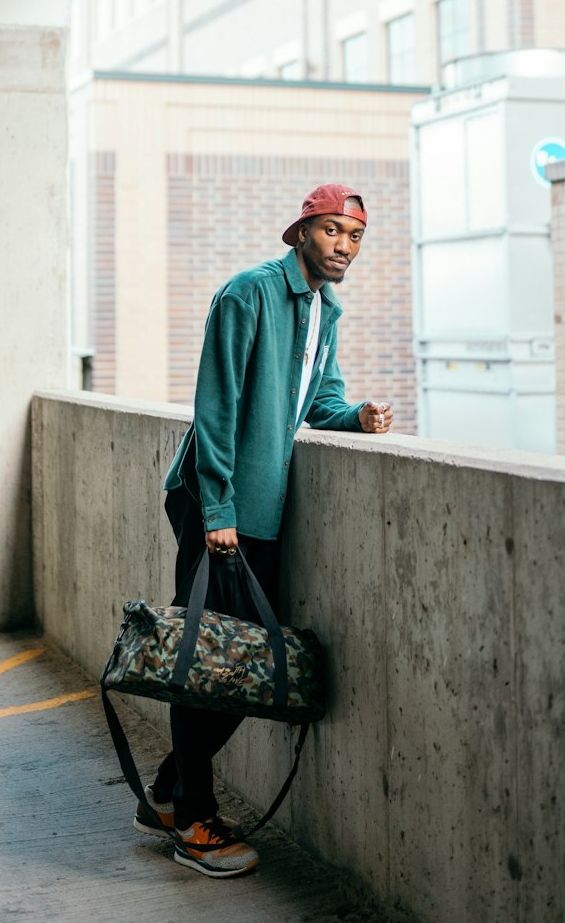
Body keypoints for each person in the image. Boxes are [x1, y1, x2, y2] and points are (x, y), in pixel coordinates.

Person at [134, 183, 393, 878]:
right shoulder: (246, 294)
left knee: (245, 663)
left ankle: (166, 794)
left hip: (263, 507)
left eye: (356, 235)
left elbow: (320, 399)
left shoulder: (323, 312)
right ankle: (192, 821)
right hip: (217, 504)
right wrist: (218, 511)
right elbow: (215, 407)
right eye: (333, 230)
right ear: (300, 233)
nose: (345, 245)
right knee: (216, 664)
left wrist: (356, 416)